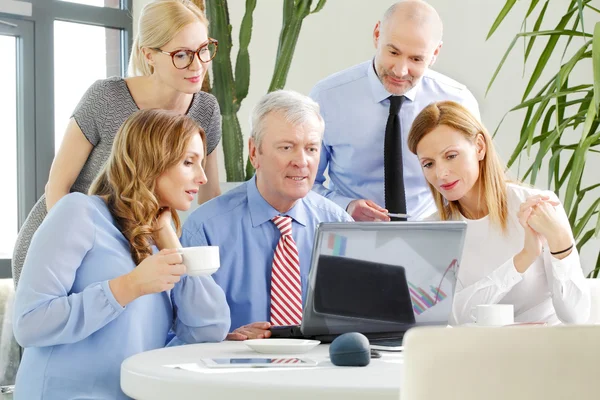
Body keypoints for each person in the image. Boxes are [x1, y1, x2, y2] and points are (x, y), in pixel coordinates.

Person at [11, 109, 230, 400]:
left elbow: (210, 328)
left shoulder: (157, 237)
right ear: (151, 161)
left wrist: (167, 238)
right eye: (189, 162)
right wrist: (129, 286)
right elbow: (29, 324)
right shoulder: (79, 213)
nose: (202, 177)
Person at [12, 0, 222, 286]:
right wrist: (74, 249)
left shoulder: (206, 109)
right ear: (149, 55)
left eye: (203, 49)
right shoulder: (107, 97)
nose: (198, 65)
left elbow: (210, 198)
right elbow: (57, 186)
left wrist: (202, 270)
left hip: (134, 251)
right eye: (182, 55)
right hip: (63, 243)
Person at [180, 90, 353, 340]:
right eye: (287, 147)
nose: (301, 161)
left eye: (312, 149)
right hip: (235, 372)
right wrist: (224, 339)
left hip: (320, 371)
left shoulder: (338, 225)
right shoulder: (205, 229)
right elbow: (180, 329)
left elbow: (356, 319)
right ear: (254, 152)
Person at [406, 100, 590, 325]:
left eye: (451, 156)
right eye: (428, 164)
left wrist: (560, 240)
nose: (441, 173)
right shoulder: (432, 232)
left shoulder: (538, 207)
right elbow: (449, 317)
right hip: (482, 353)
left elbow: (576, 317)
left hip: (546, 351)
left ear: (480, 147)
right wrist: (522, 260)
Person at [310, 0, 480, 222]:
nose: (400, 71)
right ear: (377, 34)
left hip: (433, 232)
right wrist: (346, 207)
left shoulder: (458, 100)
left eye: (416, 59)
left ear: (435, 53)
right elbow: (302, 184)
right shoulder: (327, 97)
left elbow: (477, 181)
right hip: (349, 231)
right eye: (393, 52)